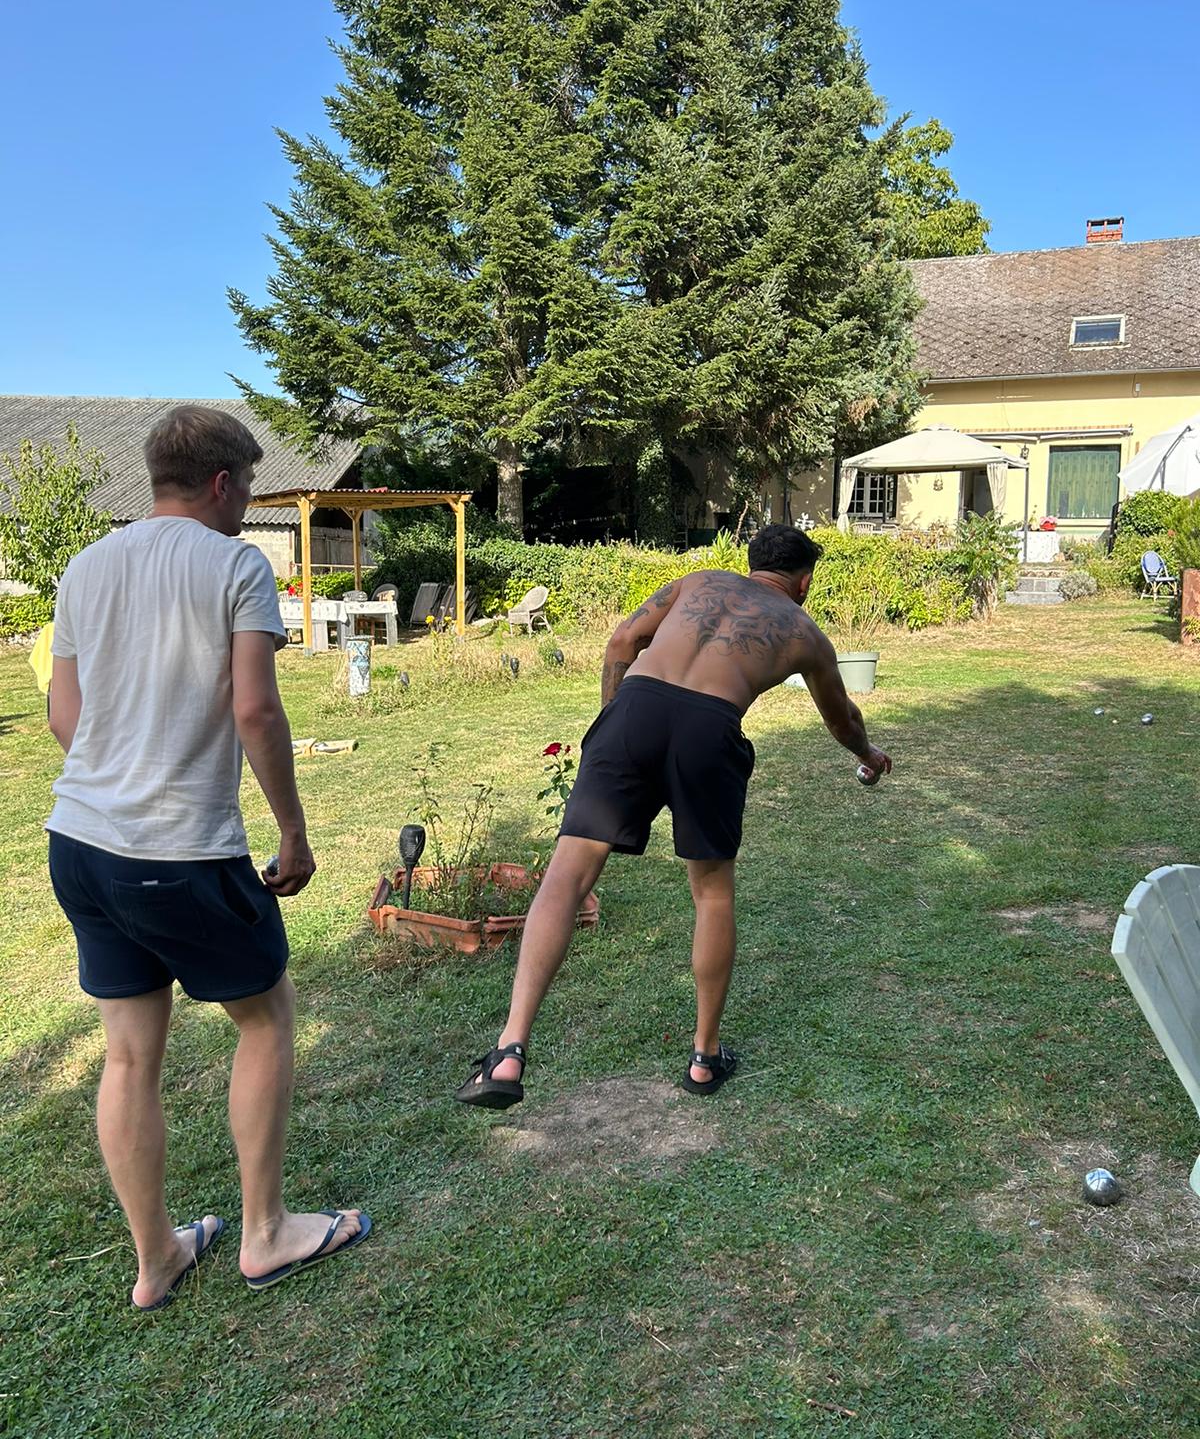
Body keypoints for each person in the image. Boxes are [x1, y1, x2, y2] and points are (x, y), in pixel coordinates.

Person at [47, 405, 370, 1309]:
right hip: (180, 850)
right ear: (224, 483)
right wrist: (293, 831)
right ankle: (264, 1234)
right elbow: (256, 710)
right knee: (265, 1018)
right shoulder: (236, 564)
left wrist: (117, 775)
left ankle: (156, 1260)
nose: (248, 504)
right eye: (250, 487)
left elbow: (65, 715)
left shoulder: (86, 565)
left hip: (79, 843)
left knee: (127, 1055)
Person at [456, 524, 891, 1110]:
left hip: (634, 709)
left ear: (751, 561)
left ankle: (508, 1051)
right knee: (712, 895)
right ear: (805, 581)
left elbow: (622, 641)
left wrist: (612, 725)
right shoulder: (804, 631)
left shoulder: (698, 581)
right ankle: (704, 1057)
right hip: (710, 730)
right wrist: (868, 755)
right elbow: (842, 719)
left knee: (567, 877)